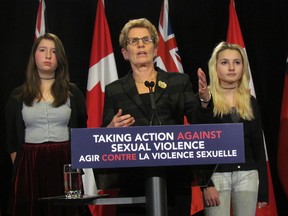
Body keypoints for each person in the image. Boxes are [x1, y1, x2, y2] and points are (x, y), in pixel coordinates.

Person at [99, 18, 213, 216]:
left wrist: (204, 101)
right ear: (125, 53)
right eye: (133, 41)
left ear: (156, 48)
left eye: (146, 39)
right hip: (133, 180)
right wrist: (110, 130)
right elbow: (103, 137)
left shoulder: (178, 81)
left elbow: (198, 121)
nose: (141, 44)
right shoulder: (114, 90)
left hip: (174, 180)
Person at [5, 33, 87, 216]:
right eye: (43, 50)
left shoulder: (73, 93)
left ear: (60, 59)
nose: (48, 56)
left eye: (54, 51)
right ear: (34, 56)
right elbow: (11, 142)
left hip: (65, 163)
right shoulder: (17, 96)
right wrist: (22, 169)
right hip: (30, 164)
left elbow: (82, 132)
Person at [201, 41, 268, 216]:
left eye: (237, 62)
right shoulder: (206, 100)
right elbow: (199, 146)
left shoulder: (250, 101)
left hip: (248, 175)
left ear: (243, 67)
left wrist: (264, 190)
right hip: (216, 176)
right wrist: (206, 184)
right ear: (215, 67)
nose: (231, 67)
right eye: (225, 62)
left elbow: (258, 147)